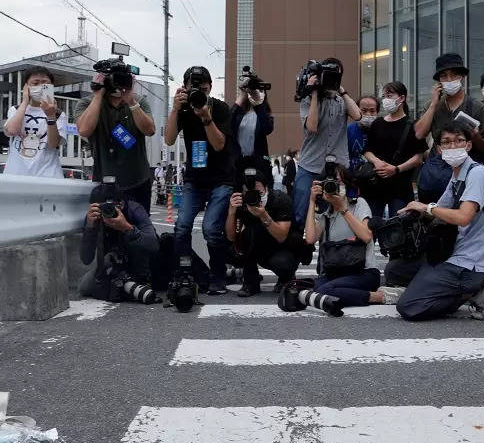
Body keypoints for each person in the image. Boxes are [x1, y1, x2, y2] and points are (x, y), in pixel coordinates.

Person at [396, 121, 484, 321]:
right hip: (453, 251)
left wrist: (426, 207)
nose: (453, 147)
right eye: (446, 142)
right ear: (438, 149)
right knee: (397, 270)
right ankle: (447, 287)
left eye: (459, 141)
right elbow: (437, 209)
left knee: (409, 307)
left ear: (468, 145)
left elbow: (463, 217)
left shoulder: (477, 174)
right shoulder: (457, 176)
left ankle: (473, 290)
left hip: (472, 261)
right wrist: (410, 210)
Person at [165, 65, 235, 296]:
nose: (198, 94)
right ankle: (184, 274)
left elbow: (219, 145)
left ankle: (218, 276)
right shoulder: (182, 109)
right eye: (193, 89)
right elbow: (168, 139)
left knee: (211, 229)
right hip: (194, 178)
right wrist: (175, 109)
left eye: (203, 89)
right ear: (184, 88)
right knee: (182, 226)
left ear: (210, 88)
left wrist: (206, 117)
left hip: (221, 178)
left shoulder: (221, 108)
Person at [298, 171, 391, 313]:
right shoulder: (326, 213)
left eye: (338, 182)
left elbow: (366, 236)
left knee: (325, 290)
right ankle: (339, 296)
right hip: (336, 273)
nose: (333, 187)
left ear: (346, 185)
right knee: (316, 288)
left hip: (363, 272)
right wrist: (311, 201)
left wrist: (343, 209)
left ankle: (379, 297)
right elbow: (310, 238)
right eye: (329, 184)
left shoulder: (359, 204)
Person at [74, 62, 155, 210]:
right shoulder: (87, 103)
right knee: (107, 228)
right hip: (105, 181)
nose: (118, 83)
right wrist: (98, 95)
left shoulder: (139, 101)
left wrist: (131, 101)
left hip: (138, 180)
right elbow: (84, 130)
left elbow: (150, 130)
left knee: (140, 227)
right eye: (113, 78)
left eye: (122, 78)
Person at [413, 53, 484, 203]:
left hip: (466, 177)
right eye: (444, 76)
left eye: (454, 75)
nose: (449, 80)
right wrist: (433, 104)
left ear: (462, 76)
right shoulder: (434, 106)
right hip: (436, 175)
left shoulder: (476, 107)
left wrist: (475, 137)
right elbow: (419, 133)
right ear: (439, 81)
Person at [296, 59, 361, 225]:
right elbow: (312, 127)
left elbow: (358, 116)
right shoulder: (308, 99)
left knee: (335, 213)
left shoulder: (342, 101)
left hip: (337, 168)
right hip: (310, 165)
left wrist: (341, 90)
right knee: (300, 213)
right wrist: (315, 93)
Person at [78, 181, 162, 304]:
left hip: (138, 262)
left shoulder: (134, 209)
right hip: (112, 266)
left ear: (121, 204)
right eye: (102, 207)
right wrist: (90, 228)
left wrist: (126, 227)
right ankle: (124, 284)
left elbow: (153, 245)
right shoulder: (94, 217)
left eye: (111, 206)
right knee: (84, 286)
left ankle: (130, 283)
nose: (107, 211)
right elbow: (86, 258)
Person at [226, 157, 298, 297]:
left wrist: (263, 215)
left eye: (258, 193)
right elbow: (230, 237)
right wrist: (231, 212)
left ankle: (286, 278)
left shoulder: (280, 200)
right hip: (256, 246)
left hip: (281, 248)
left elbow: (282, 236)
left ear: (266, 189)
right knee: (243, 237)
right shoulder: (241, 203)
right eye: (249, 193)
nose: (253, 197)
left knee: (283, 263)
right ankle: (250, 282)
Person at [362, 81, 425, 218]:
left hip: (401, 187)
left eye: (389, 96)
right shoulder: (377, 123)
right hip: (376, 186)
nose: (386, 100)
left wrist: (396, 169)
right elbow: (367, 150)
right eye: (384, 96)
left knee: (396, 231)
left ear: (402, 98)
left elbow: (418, 158)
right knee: (372, 226)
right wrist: (377, 161)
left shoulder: (412, 124)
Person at [3, 66, 65, 179]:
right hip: (15, 175)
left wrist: (51, 116)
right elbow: (12, 130)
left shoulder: (59, 114)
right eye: (35, 83)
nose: (40, 87)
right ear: (26, 87)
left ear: (51, 86)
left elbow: (53, 144)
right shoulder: (16, 110)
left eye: (44, 83)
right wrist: (25, 101)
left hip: (48, 176)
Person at [229, 82, 274, 165]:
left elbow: (267, 129)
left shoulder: (263, 113)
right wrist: (240, 99)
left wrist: (259, 104)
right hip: (238, 161)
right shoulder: (238, 113)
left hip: (258, 161)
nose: (254, 93)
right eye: (252, 91)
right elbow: (227, 124)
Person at [348, 95, 379, 179]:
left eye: (372, 111)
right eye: (364, 110)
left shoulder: (382, 130)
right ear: (357, 110)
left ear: (377, 112)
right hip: (353, 178)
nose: (368, 114)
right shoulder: (348, 130)